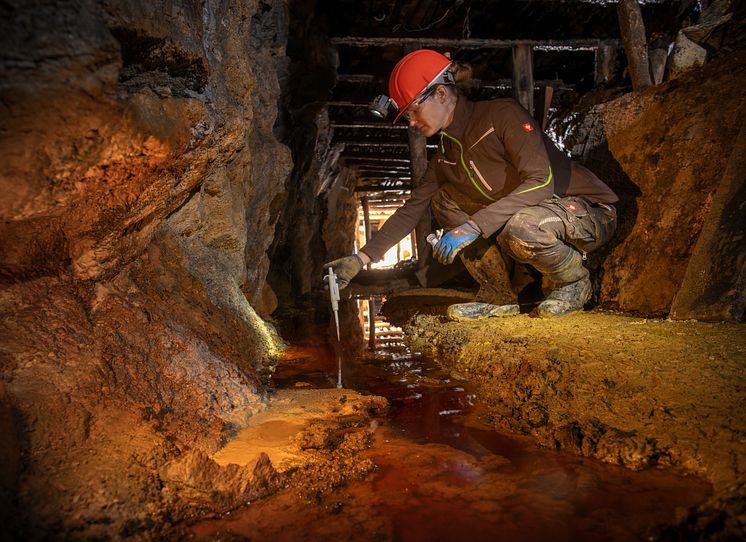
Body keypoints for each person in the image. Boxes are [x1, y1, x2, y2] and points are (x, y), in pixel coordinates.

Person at [324, 49, 618, 319]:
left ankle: (575, 282)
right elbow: (411, 209)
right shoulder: (446, 155)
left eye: (413, 110)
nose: (411, 121)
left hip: (587, 212)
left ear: (441, 93)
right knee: (444, 200)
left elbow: (541, 182)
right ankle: (499, 295)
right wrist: (360, 258)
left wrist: (473, 227)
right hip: (538, 218)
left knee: (520, 225)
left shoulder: (501, 116)